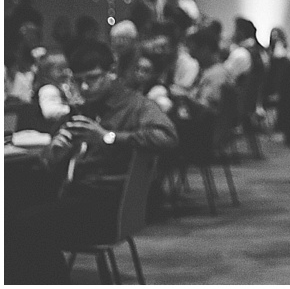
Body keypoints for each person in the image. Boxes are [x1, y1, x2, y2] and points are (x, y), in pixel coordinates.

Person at [6, 41, 178, 283]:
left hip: (108, 206)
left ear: (112, 72)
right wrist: (54, 153)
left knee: (22, 228)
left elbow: (167, 136)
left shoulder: (134, 105)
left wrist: (107, 137)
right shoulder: (82, 109)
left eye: (93, 78)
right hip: (74, 196)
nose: (85, 87)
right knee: (11, 210)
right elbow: (51, 162)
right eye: (79, 80)